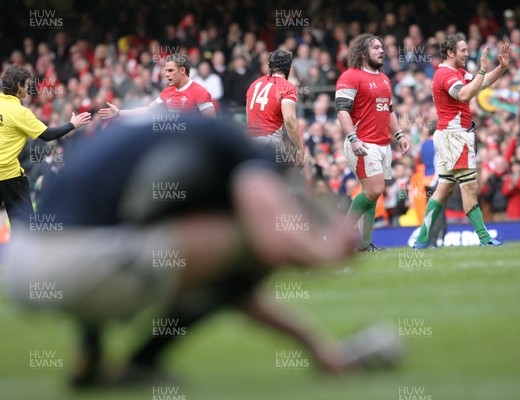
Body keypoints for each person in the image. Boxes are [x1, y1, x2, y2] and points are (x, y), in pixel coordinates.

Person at [3, 115, 400, 387]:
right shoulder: (244, 158)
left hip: (25, 261)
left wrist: (316, 347)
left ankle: (91, 359)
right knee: (242, 244)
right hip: (73, 264)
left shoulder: (186, 144)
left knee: (124, 230)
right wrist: (331, 252)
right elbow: (271, 245)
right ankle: (143, 361)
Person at [413, 34, 510, 248]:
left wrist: (500, 68)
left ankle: (421, 241)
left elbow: (479, 84)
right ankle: (485, 239)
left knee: (444, 188)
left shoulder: (455, 72)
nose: (467, 53)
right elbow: (465, 95)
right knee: (469, 187)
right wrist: (483, 69)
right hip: (454, 136)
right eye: (463, 50)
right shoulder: (446, 75)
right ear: (450, 52)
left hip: (450, 135)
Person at [335, 33, 410, 252]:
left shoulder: (385, 79)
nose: (381, 50)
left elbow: (389, 110)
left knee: (374, 193)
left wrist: (400, 136)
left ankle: (364, 246)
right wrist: (353, 139)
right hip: (362, 143)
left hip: (383, 143)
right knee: (375, 188)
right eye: (376, 47)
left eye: (381, 47)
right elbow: (342, 111)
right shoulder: (350, 76)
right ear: (363, 52)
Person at [0, 64, 90, 230]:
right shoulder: (20, 112)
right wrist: (72, 124)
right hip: (9, 176)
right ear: (19, 86)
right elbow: (47, 134)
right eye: (27, 85)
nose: (28, 90)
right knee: (26, 225)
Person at [99, 54, 216, 118]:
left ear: (182, 71)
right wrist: (119, 112)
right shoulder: (167, 91)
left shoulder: (200, 92)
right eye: (166, 70)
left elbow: (212, 124)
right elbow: (148, 110)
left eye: (170, 70)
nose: (166, 74)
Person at [246, 50, 304, 165]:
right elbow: (289, 120)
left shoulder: (254, 84)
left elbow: (249, 114)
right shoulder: (287, 86)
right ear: (288, 67)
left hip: (249, 141)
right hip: (270, 141)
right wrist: (299, 146)